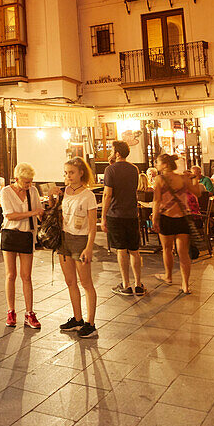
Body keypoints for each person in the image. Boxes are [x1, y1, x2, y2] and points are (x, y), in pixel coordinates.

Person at [0, 162, 44, 329]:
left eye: (31, 181)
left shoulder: (33, 191)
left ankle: (29, 313)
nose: (29, 185)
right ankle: (11, 311)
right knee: (11, 274)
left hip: (26, 235)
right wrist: (32, 213)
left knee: (27, 276)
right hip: (10, 233)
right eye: (26, 181)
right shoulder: (5, 192)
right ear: (16, 178)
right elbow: (10, 215)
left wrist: (49, 206)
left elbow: (39, 212)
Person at [58, 158, 99, 338]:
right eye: (66, 173)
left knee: (86, 283)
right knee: (70, 281)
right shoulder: (64, 192)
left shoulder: (88, 195)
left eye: (72, 172)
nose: (68, 176)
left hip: (81, 240)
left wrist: (89, 247)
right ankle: (77, 318)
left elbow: (92, 225)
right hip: (64, 239)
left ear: (81, 172)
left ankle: (91, 322)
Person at [153, 154, 200, 294]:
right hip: (182, 218)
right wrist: (195, 178)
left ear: (165, 165)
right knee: (183, 253)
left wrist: (155, 219)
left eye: (158, 162)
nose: (156, 165)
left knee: (167, 249)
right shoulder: (182, 178)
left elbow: (156, 201)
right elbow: (197, 192)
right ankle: (185, 285)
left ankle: (168, 276)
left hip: (166, 217)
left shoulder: (159, 179)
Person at [102, 141, 143, 297]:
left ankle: (126, 284)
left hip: (116, 214)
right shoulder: (134, 169)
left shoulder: (110, 170)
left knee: (121, 250)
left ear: (117, 153)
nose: (110, 152)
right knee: (134, 250)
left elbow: (107, 194)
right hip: (132, 214)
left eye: (112, 150)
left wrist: (103, 216)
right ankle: (138, 284)